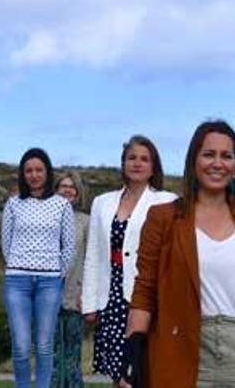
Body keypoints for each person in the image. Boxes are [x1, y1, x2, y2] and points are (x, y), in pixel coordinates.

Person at [123, 120, 235, 388]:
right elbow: (145, 291)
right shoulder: (163, 219)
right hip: (180, 345)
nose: (218, 163)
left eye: (227, 156)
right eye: (209, 154)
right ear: (194, 161)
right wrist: (133, 348)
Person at [82, 135, 177, 384]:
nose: (137, 163)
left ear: (153, 166)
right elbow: (93, 255)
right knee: (117, 372)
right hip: (110, 296)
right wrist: (89, 303)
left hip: (146, 296)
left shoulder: (167, 202)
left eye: (144, 159)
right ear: (123, 163)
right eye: (132, 158)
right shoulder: (102, 203)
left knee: (141, 369)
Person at [1, 148, 76, 388]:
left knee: (44, 345)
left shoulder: (61, 205)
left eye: (39, 170)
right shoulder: (13, 204)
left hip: (49, 283)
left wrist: (56, 273)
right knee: (21, 346)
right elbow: (6, 243)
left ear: (47, 172)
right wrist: (18, 266)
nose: (34, 175)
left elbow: (69, 246)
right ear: (23, 174)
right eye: (29, 170)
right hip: (17, 281)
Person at [53, 171, 91, 388]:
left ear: (77, 192)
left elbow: (91, 259)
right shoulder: (46, 218)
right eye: (63, 186)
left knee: (72, 357)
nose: (67, 190)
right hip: (48, 298)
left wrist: (85, 292)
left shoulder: (86, 222)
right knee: (53, 356)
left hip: (75, 298)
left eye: (72, 187)